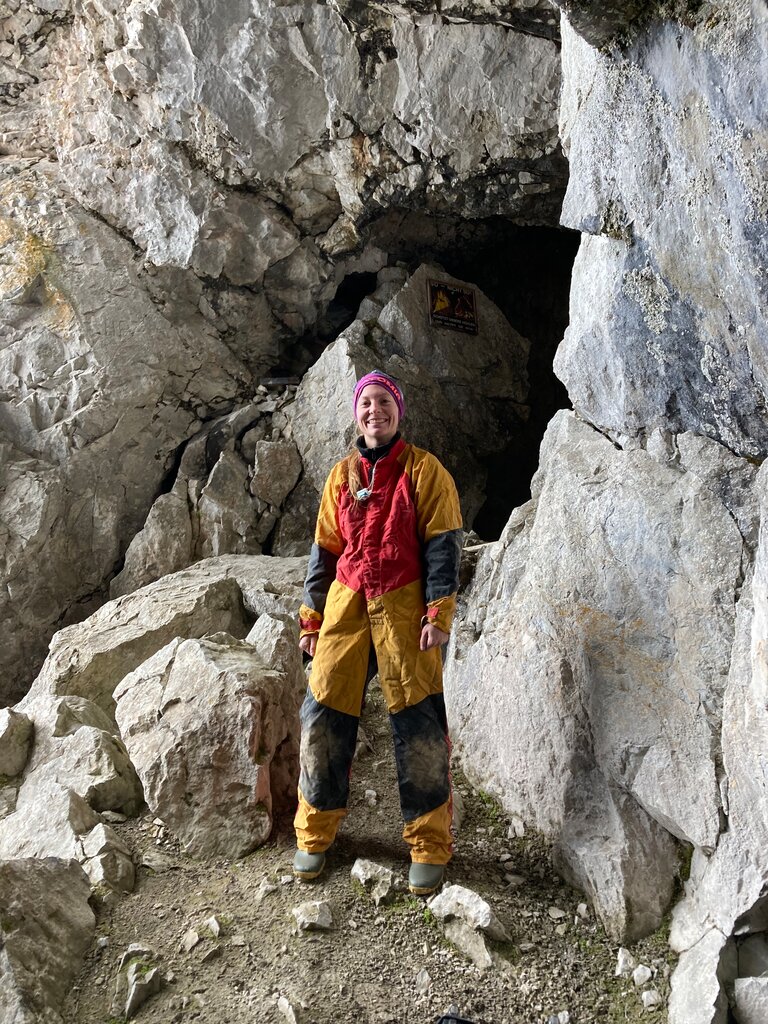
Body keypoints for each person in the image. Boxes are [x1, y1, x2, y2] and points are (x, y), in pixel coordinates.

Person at [293, 369, 463, 895]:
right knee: (323, 714)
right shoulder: (341, 476)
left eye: (384, 402)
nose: (375, 411)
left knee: (419, 723)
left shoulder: (424, 471)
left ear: (398, 411)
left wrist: (437, 614)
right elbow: (324, 552)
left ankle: (429, 844)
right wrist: (312, 620)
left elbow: (443, 544)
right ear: (355, 412)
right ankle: (314, 834)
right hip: (345, 606)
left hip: (404, 609)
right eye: (366, 403)